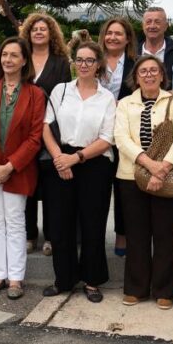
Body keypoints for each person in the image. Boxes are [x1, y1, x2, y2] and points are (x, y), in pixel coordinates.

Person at [40, 42, 116, 303]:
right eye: (80, 60)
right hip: (61, 161)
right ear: (74, 63)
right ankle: (64, 279)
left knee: (92, 224)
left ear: (98, 65)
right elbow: (46, 126)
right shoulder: (61, 91)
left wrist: (77, 158)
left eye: (90, 60)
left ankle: (92, 281)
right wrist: (60, 158)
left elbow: (107, 138)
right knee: (61, 225)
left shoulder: (106, 98)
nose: (84, 65)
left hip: (93, 163)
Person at [0, 37, 45, 300]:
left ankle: (15, 279)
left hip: (18, 169)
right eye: (4, 55)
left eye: (14, 55)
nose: (8, 60)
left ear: (24, 60)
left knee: (15, 222)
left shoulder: (35, 94)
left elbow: (35, 138)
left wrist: (10, 166)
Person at [114, 54, 173, 309]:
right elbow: (121, 138)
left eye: (153, 70)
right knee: (137, 235)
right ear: (136, 77)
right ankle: (136, 287)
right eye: (143, 71)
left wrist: (161, 171)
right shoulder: (125, 104)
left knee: (166, 234)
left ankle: (165, 289)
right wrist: (149, 165)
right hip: (130, 176)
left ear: (161, 75)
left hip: (167, 177)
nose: (148, 75)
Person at [18, 11, 70, 256]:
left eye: (43, 29)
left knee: (50, 187)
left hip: (50, 130)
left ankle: (50, 236)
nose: (38, 32)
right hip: (23, 131)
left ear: (51, 34)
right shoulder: (22, 59)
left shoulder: (61, 62)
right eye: (34, 29)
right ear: (28, 33)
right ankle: (29, 235)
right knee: (27, 184)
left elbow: (63, 98)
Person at [98, 16, 137, 257]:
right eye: (109, 33)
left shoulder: (136, 63)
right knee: (99, 187)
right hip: (97, 134)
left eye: (118, 33)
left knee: (124, 187)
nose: (113, 37)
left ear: (127, 38)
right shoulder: (92, 61)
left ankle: (123, 234)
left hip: (126, 134)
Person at [139, 6, 173, 83]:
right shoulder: (131, 53)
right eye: (148, 22)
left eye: (157, 22)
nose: (152, 26)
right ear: (142, 26)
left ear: (166, 26)